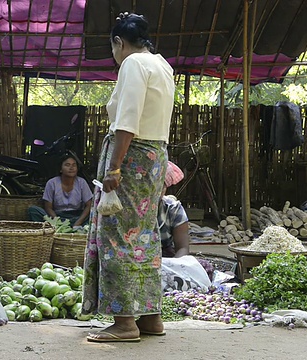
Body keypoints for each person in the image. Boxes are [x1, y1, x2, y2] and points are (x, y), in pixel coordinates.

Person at [82, 12, 175, 343]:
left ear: (119, 43)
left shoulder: (134, 64)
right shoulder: (162, 65)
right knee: (145, 237)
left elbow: (128, 121)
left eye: (113, 48)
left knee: (118, 237)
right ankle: (151, 318)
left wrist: (115, 167)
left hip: (132, 159)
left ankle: (124, 323)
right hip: (153, 159)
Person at [28, 155, 93, 227]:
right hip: (57, 216)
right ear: (60, 169)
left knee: (94, 215)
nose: (71, 168)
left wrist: (78, 223)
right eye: (67, 165)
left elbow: (89, 205)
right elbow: (48, 207)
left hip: (77, 217)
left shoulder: (81, 182)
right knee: (33, 210)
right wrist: (58, 222)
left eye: (74, 165)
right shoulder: (52, 183)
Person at [158, 161, 190, 258]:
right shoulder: (129, 209)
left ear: (165, 188)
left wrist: (173, 267)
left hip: (166, 260)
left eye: (160, 186)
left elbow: (183, 248)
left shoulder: (173, 209)